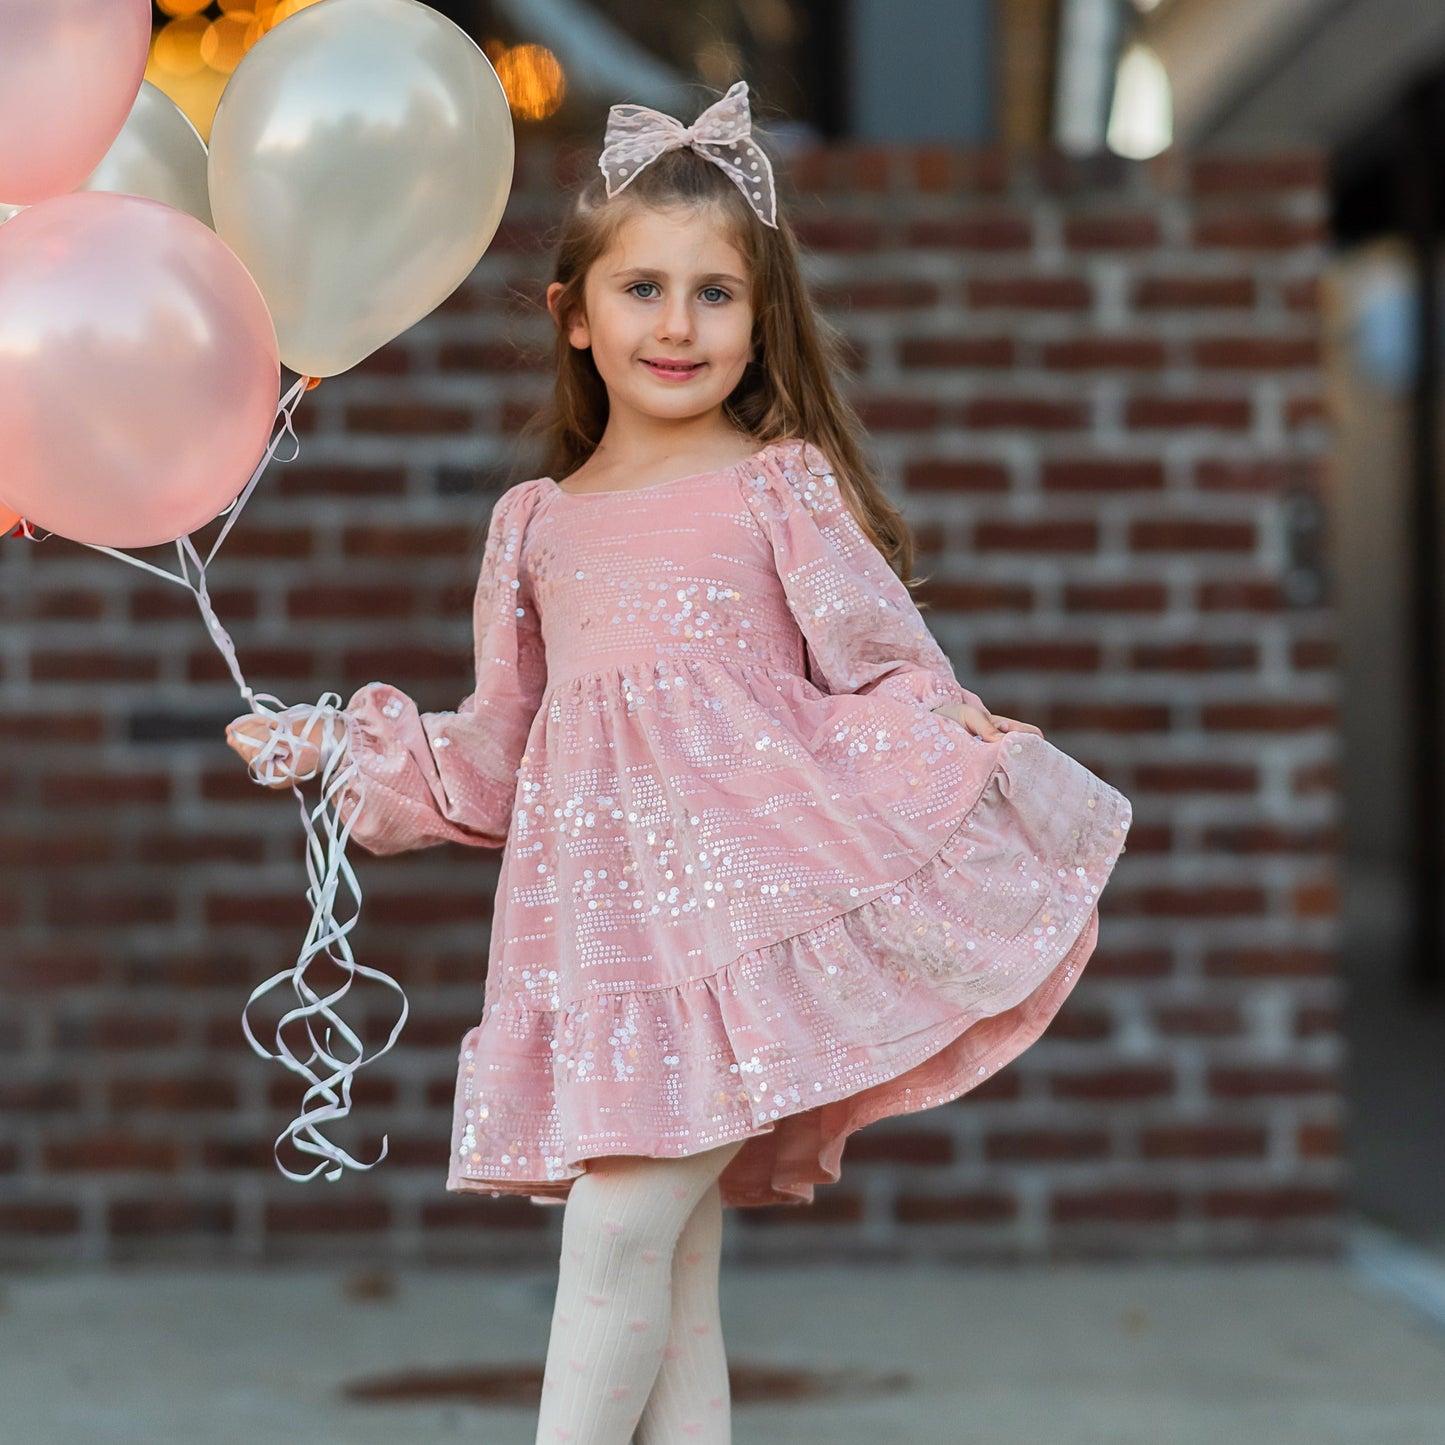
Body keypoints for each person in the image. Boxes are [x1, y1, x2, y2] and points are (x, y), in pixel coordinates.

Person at [227, 80, 1132, 1445]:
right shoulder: (532, 525)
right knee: (676, 1275)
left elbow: (886, 670)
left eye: (714, 294)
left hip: (744, 941)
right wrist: (328, 743)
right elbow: (496, 753)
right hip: (607, 952)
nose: (675, 323)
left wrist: (951, 752)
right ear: (571, 315)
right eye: (641, 289)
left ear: (756, 319)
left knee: (613, 1234)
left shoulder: (776, 484)